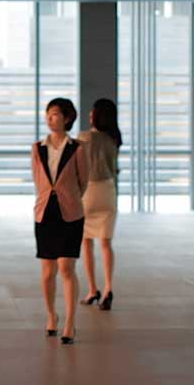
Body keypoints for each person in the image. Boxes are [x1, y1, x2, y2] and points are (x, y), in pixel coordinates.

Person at [33, 97, 86, 343]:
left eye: (54, 114)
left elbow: (83, 181)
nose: (49, 118)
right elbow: (38, 179)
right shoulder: (38, 148)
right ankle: (51, 315)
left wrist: (69, 198)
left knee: (66, 267)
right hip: (45, 212)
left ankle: (70, 323)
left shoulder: (77, 148)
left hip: (70, 212)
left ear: (67, 118)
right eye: (48, 114)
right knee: (47, 271)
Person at [79, 98, 122, 311]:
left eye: (91, 112)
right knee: (106, 243)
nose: (89, 115)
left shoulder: (84, 137)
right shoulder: (114, 139)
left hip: (89, 191)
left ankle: (92, 290)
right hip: (109, 190)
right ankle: (108, 289)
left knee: (86, 241)